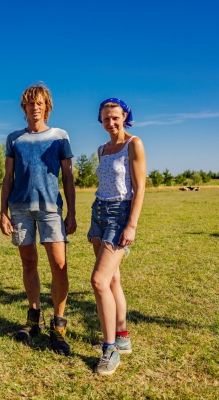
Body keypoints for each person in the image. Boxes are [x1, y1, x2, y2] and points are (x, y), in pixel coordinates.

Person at [0, 84, 77, 355]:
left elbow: (68, 177)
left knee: (59, 264)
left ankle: (59, 325)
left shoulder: (60, 136)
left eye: (40, 103)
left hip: (51, 210)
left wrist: (72, 212)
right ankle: (33, 319)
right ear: (24, 108)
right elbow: (8, 177)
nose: (35, 107)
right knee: (28, 262)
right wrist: (2, 212)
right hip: (20, 209)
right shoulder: (14, 139)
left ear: (47, 106)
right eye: (30, 104)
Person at [88, 98, 146, 375]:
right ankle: (122, 337)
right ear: (100, 120)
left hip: (120, 215)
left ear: (125, 117)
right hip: (99, 212)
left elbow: (139, 186)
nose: (111, 122)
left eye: (115, 117)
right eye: (106, 118)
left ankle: (109, 348)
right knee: (112, 279)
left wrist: (131, 225)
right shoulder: (102, 149)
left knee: (98, 281)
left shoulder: (134, 143)